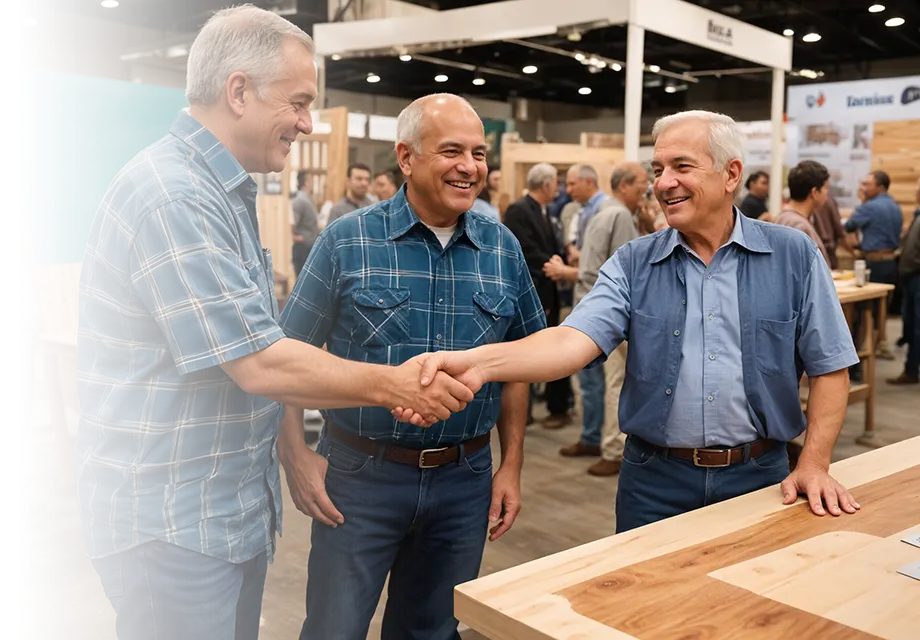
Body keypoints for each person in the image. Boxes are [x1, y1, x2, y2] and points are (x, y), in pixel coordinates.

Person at [74, 9, 473, 640]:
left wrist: (289, 451)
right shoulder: (175, 194)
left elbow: (256, 345)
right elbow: (260, 361)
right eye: (299, 102)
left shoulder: (221, 192)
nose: (307, 124)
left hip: (223, 512)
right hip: (174, 520)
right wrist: (396, 385)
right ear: (239, 92)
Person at [396, 109, 862, 533]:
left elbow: (830, 367)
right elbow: (569, 342)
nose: (663, 183)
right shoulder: (634, 263)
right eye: (658, 170)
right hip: (653, 482)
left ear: (730, 174)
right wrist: (479, 364)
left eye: (682, 166)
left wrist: (815, 463)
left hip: (760, 475)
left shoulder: (792, 255)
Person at [277, 93, 545, 640]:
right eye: (451, 151)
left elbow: (518, 362)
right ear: (406, 157)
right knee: (335, 627)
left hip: (465, 479)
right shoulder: (347, 241)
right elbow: (286, 355)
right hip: (359, 476)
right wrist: (295, 455)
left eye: (478, 153)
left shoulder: (503, 248)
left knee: (432, 632)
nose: (469, 167)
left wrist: (511, 463)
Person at [554, 162, 646, 476]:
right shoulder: (618, 215)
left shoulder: (605, 213)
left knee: (601, 383)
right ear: (624, 186)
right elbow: (622, 272)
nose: (646, 190)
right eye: (641, 184)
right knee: (616, 382)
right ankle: (613, 448)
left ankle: (601, 441)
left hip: (591, 308)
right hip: (610, 314)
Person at [503, 163, 573, 429]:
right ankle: (523, 411)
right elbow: (523, 250)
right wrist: (552, 265)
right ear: (546, 184)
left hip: (549, 289)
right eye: (557, 182)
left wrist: (560, 261)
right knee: (527, 352)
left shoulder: (545, 210)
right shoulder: (519, 210)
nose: (560, 187)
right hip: (532, 290)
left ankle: (555, 407)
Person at [845, 170, 903, 362]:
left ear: (879, 186)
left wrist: (862, 202)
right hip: (890, 262)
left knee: (863, 312)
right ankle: (880, 344)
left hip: (874, 263)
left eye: (867, 184)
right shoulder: (895, 206)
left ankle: (858, 358)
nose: (863, 188)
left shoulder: (870, 207)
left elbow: (849, 226)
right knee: (882, 309)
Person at [16, 206, 46, 533]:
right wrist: (17, 330)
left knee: (19, 429)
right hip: (13, 346)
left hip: (22, 349)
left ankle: (14, 496)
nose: (21, 216)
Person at [888, 178, 920, 385]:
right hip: (911, 278)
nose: (916, 191)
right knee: (910, 324)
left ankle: (911, 370)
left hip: (917, 278)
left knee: (917, 327)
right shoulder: (917, 215)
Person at [774, 160, 832, 267]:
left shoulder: (783, 217)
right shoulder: (799, 226)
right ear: (814, 192)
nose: (827, 193)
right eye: (826, 188)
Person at [292, 169, 319, 276]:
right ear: (307, 182)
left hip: (310, 246)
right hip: (303, 248)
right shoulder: (300, 200)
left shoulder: (308, 199)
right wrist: (297, 237)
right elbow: (292, 223)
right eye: (312, 180)